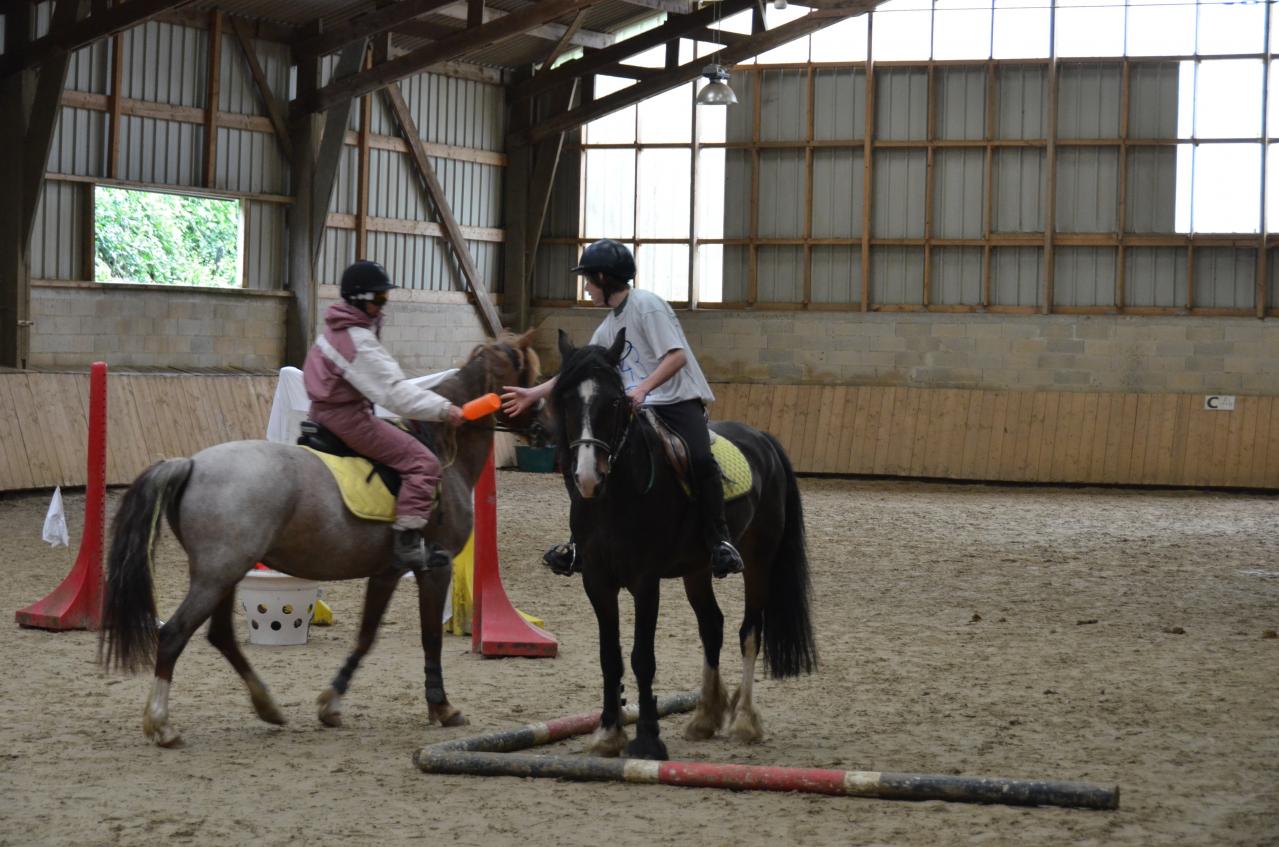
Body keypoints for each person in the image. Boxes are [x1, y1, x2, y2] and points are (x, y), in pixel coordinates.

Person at [501, 239, 745, 579]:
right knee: (583, 457)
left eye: (587, 280)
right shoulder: (607, 326)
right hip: (634, 405)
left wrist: (644, 388)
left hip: (675, 401)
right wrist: (532, 393)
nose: (586, 288)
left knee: (701, 458)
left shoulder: (646, 306)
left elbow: (677, 356)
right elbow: (578, 373)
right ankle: (578, 543)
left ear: (603, 277)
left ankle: (720, 540)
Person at [304, 260, 465, 571]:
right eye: (379, 300)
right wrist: (444, 409)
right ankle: (406, 539)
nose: (383, 307)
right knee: (423, 462)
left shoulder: (333, 330)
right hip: (349, 418)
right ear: (361, 301)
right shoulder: (357, 340)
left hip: (323, 412)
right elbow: (394, 394)